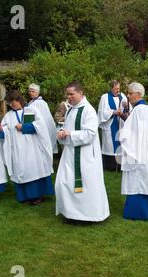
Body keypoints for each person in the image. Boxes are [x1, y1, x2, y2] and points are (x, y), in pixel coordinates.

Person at [55, 81, 110, 223]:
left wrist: (70, 134)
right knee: (65, 182)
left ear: (80, 93)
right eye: (67, 94)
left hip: (85, 156)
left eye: (71, 94)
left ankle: (87, 216)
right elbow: (66, 127)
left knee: (86, 186)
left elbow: (90, 134)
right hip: (71, 154)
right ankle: (71, 213)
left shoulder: (88, 110)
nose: (69, 97)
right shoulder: (71, 109)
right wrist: (62, 132)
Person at [119, 82, 148, 221]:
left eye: (130, 93)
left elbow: (131, 133)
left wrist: (122, 135)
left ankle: (139, 212)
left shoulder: (139, 110)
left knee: (139, 180)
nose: (128, 96)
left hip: (139, 152)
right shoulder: (146, 109)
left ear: (138, 94)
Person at [1, 90, 54, 205]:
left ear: (18, 100)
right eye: (9, 103)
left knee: (34, 170)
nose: (10, 105)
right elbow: (4, 130)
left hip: (33, 148)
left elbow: (41, 126)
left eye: (12, 102)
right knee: (21, 170)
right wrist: (0, 130)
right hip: (17, 149)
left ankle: (37, 196)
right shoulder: (8, 116)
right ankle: (24, 196)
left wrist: (25, 127)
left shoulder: (32, 110)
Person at [98, 80, 130, 170]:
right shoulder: (105, 97)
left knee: (122, 143)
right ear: (111, 88)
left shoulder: (122, 96)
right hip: (110, 124)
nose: (118, 90)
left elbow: (128, 108)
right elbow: (102, 112)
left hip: (121, 124)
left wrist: (126, 106)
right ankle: (110, 166)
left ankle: (121, 165)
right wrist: (113, 112)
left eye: (119, 88)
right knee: (110, 145)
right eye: (116, 88)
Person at [26, 83, 58, 155]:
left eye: (33, 91)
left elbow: (45, 118)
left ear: (37, 92)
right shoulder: (31, 102)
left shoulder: (40, 103)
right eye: (29, 91)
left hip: (40, 127)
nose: (31, 93)